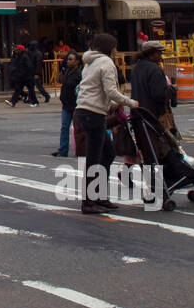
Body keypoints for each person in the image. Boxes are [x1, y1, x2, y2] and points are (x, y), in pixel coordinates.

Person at [74, 33, 136, 214]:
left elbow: (95, 89)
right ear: (108, 47)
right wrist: (130, 102)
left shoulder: (89, 61)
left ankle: (100, 196)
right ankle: (89, 202)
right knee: (95, 158)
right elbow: (111, 90)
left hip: (83, 111)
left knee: (107, 153)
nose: (117, 51)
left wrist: (112, 104)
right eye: (115, 47)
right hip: (93, 114)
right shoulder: (107, 63)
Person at [54, 51, 82, 157]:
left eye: (71, 59)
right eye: (68, 59)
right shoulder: (66, 71)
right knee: (65, 127)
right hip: (66, 104)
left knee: (77, 128)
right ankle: (63, 150)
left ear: (77, 61)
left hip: (75, 104)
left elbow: (73, 86)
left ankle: (80, 150)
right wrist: (61, 70)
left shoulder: (79, 73)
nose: (68, 61)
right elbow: (59, 80)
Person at [25, 41, 50, 106]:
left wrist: (37, 73)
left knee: (38, 86)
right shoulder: (32, 52)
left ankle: (46, 95)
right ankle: (31, 98)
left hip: (35, 72)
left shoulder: (38, 53)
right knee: (31, 86)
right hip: (31, 71)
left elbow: (38, 64)